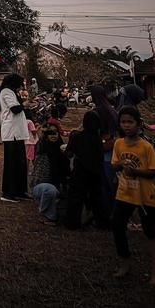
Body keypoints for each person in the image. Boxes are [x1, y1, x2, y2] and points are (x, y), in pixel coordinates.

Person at [110, 106, 155, 283]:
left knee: (151, 232)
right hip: (125, 193)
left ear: (138, 124)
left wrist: (136, 171)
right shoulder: (119, 143)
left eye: (130, 122)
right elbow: (113, 165)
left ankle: (153, 272)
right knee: (117, 225)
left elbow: (153, 171)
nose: (126, 125)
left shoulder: (146, 147)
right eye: (123, 122)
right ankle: (125, 262)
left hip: (146, 195)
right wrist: (121, 164)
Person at [64, 110, 107, 230]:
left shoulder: (77, 136)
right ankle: (102, 223)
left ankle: (72, 223)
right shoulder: (97, 139)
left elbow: (69, 152)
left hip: (80, 171)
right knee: (97, 197)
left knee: (75, 197)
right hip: (95, 171)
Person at [0, 73, 29, 203]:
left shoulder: (11, 92)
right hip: (12, 133)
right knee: (12, 164)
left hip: (17, 133)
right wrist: (25, 104)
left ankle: (20, 190)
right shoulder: (6, 92)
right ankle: (8, 192)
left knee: (20, 163)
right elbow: (15, 109)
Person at [30, 124, 69, 223]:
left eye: (55, 133)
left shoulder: (62, 151)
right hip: (42, 184)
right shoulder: (42, 152)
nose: (53, 136)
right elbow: (39, 174)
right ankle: (48, 215)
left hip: (60, 184)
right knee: (49, 190)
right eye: (50, 133)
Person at [90, 83, 119, 216]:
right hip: (113, 148)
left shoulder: (96, 112)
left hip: (101, 150)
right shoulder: (112, 110)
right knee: (113, 183)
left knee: (104, 185)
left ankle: (107, 212)